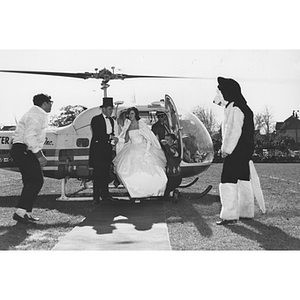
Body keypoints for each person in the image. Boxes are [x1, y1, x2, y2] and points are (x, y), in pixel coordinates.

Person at [213, 77, 265, 225]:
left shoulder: (235, 109)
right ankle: (246, 212)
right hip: (244, 152)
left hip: (234, 152)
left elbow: (232, 132)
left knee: (227, 181)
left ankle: (229, 216)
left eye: (220, 91)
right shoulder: (245, 108)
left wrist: (226, 150)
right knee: (244, 181)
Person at [10, 93, 53, 224]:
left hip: (22, 150)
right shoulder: (36, 115)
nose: (51, 105)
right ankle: (20, 212)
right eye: (50, 102)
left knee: (30, 181)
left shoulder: (36, 114)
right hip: (24, 150)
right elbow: (30, 137)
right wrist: (40, 155)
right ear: (44, 103)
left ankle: (25, 213)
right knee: (36, 181)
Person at [113, 107, 167, 200]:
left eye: (132, 114)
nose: (130, 116)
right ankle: (136, 193)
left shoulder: (141, 124)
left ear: (136, 114)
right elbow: (126, 140)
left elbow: (149, 138)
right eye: (129, 114)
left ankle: (150, 191)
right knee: (127, 170)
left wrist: (147, 150)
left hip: (143, 148)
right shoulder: (128, 125)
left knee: (147, 171)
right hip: (132, 148)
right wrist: (118, 140)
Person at [89, 97, 119, 204]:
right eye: (110, 109)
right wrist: (110, 137)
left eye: (112, 109)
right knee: (97, 174)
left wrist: (113, 141)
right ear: (104, 109)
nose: (111, 111)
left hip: (107, 150)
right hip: (98, 150)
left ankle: (105, 195)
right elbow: (98, 134)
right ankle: (96, 197)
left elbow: (114, 134)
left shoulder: (112, 121)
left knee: (105, 173)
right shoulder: (96, 119)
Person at [161, 133, 182, 202]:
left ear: (172, 141)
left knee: (165, 195)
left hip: (175, 176)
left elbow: (173, 153)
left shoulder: (175, 148)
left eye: (167, 139)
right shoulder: (168, 148)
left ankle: (175, 193)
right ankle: (173, 193)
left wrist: (165, 145)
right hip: (170, 175)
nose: (165, 141)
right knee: (164, 192)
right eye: (165, 139)